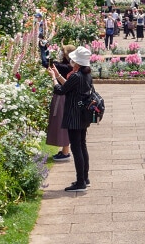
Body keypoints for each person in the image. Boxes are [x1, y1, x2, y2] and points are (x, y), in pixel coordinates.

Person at [49, 45, 93, 192]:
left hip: (74, 116)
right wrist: (58, 75)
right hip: (83, 115)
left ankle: (80, 181)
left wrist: (54, 78)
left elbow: (61, 90)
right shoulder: (86, 75)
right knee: (82, 145)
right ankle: (85, 178)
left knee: (76, 148)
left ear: (78, 62)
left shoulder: (76, 76)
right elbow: (68, 86)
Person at [46, 44, 76, 161]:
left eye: (63, 52)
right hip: (65, 97)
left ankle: (65, 152)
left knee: (61, 123)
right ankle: (65, 150)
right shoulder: (70, 67)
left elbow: (46, 63)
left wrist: (54, 76)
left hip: (63, 97)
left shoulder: (66, 67)